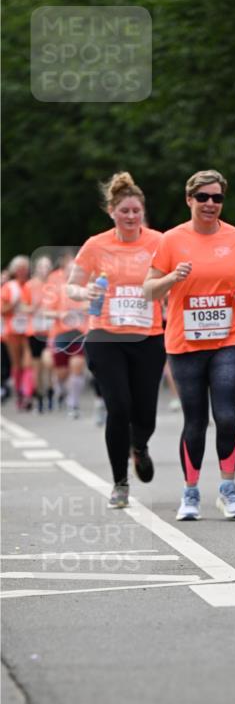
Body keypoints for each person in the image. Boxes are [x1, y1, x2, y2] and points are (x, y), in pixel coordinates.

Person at [144, 169, 235, 521]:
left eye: (217, 198)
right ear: (189, 199)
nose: (211, 204)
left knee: (225, 415)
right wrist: (170, 278)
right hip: (184, 342)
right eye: (204, 197)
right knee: (195, 420)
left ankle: (228, 488)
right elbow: (148, 289)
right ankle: (190, 492)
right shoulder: (172, 240)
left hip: (228, 338)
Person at [67, 172, 166, 508]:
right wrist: (86, 290)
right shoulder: (96, 245)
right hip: (105, 335)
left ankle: (139, 445)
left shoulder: (158, 242)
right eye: (124, 210)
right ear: (111, 211)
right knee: (118, 406)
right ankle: (120, 482)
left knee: (146, 413)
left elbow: (169, 283)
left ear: (143, 212)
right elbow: (71, 286)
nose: (131, 216)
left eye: (136, 210)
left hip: (148, 336)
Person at [47, 251, 88, 417]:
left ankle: (73, 403)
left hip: (80, 332)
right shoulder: (56, 288)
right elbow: (45, 311)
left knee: (77, 366)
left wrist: (85, 307)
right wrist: (60, 314)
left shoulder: (85, 285)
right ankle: (60, 389)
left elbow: (94, 303)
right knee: (61, 372)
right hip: (61, 333)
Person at [23, 255, 55, 413]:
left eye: (48, 266)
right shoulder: (30, 286)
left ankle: (50, 392)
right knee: (37, 367)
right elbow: (23, 307)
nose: (45, 269)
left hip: (51, 330)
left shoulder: (55, 285)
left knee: (49, 363)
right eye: (42, 266)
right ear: (36, 268)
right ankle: (39, 397)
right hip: (35, 330)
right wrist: (33, 308)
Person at [1, 255, 31, 409]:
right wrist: (13, 304)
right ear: (14, 270)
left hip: (29, 329)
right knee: (17, 364)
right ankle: (19, 393)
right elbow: (2, 309)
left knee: (28, 361)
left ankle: (26, 393)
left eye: (25, 269)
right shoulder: (9, 287)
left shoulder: (30, 285)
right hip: (12, 330)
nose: (22, 272)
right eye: (20, 269)